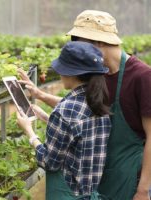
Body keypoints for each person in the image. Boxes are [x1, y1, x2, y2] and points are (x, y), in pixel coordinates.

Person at [18, 10, 151, 200]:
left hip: (130, 178)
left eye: (79, 44)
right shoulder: (97, 73)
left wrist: (144, 190)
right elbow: (84, 111)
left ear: (99, 42)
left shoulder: (142, 76)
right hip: (98, 177)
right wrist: (40, 95)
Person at [17, 41, 111, 199]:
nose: (60, 74)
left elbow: (49, 162)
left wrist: (29, 132)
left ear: (72, 73)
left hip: (68, 194)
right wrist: (47, 118)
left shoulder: (65, 111)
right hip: (90, 192)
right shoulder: (99, 102)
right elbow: (77, 134)